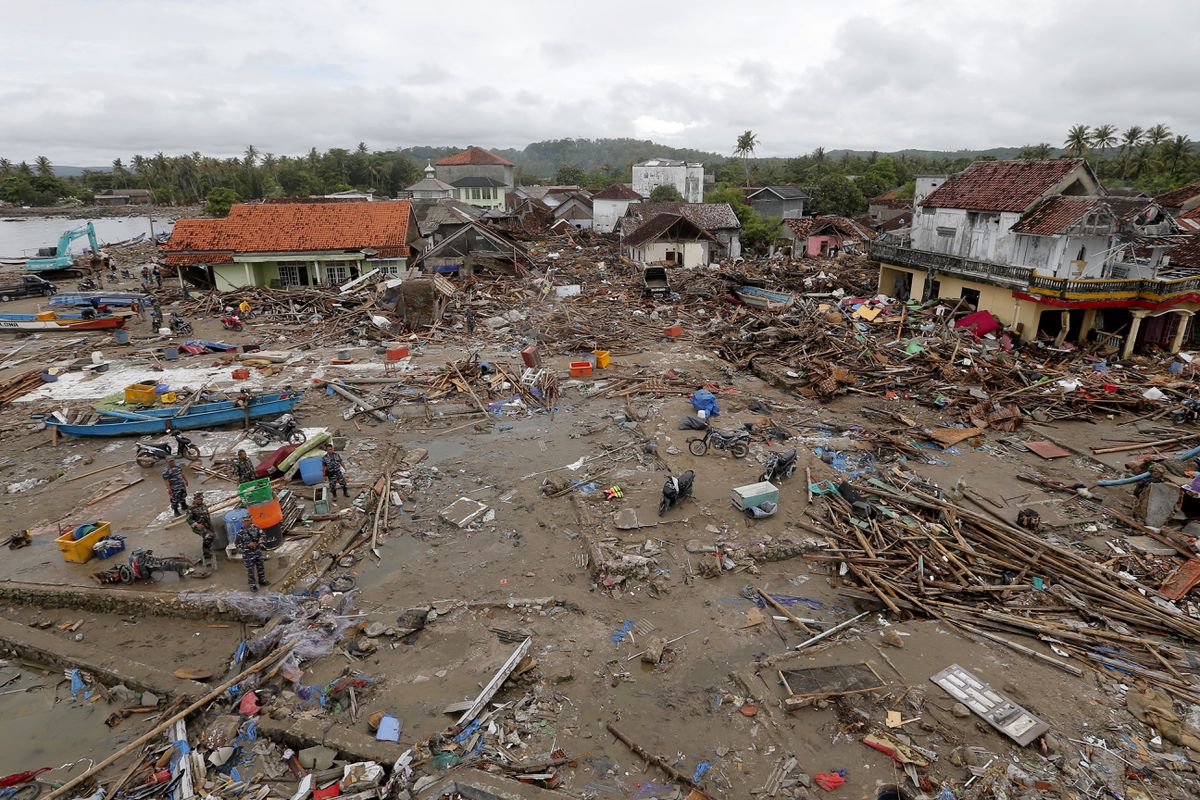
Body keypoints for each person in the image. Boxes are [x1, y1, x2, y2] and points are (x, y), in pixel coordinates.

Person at [236, 522, 269, 592]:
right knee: (250, 570)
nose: (247, 522)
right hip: (247, 554)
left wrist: (260, 541)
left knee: (260, 566)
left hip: (257, 552)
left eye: (248, 520)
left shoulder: (256, 528)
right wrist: (247, 545)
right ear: (243, 522)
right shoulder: (240, 532)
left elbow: (263, 535)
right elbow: (237, 544)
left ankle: (262, 580)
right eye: (245, 521)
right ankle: (252, 585)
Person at [187, 492, 216, 570]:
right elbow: (189, 520)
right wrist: (196, 524)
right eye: (199, 499)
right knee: (208, 536)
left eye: (201, 499)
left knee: (213, 535)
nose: (201, 500)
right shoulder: (192, 508)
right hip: (199, 527)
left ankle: (208, 546)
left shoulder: (203, 505)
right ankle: (206, 555)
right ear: (195, 499)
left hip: (207, 525)